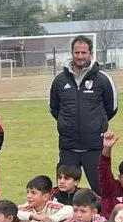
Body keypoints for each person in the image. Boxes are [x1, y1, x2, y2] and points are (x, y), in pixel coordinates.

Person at [48, 35, 118, 194]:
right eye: (77, 52)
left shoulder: (102, 79)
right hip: (68, 147)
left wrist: (95, 124)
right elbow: (54, 108)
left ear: (91, 53)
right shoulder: (59, 80)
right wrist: (66, 123)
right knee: (64, 191)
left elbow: (111, 107)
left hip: (94, 147)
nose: (80, 56)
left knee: (101, 191)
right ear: (72, 53)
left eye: (84, 52)